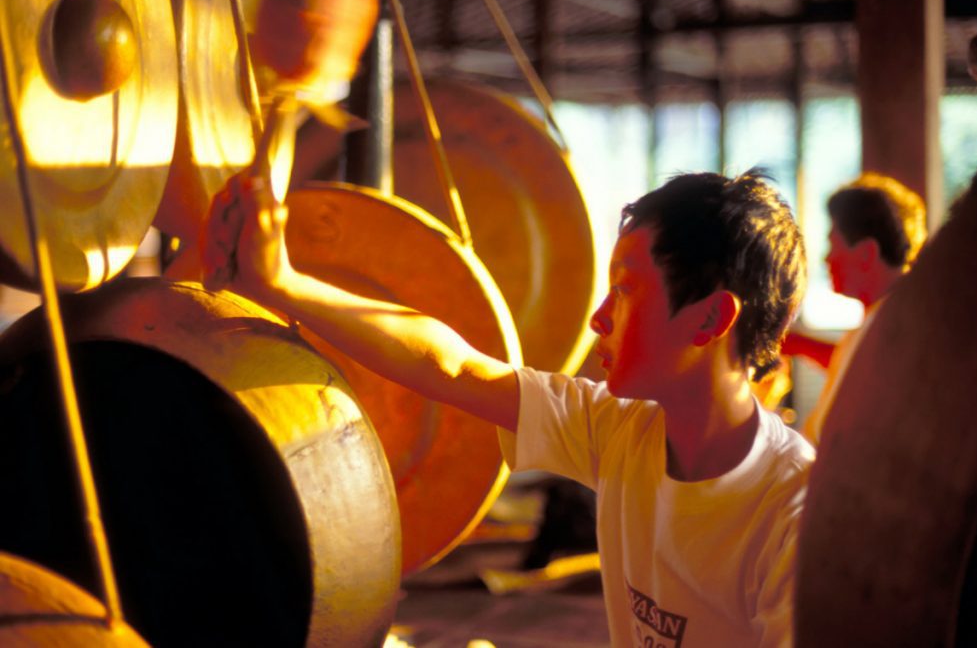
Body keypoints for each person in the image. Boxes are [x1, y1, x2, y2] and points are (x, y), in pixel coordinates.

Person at [206, 168, 815, 647]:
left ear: (710, 317)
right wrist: (278, 284)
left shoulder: (795, 512)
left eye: (625, 290)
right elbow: (452, 366)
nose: (600, 317)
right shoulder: (617, 430)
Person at [787, 172, 927, 444]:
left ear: (866, 253)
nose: (826, 258)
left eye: (832, 243)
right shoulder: (883, 319)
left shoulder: (898, 326)